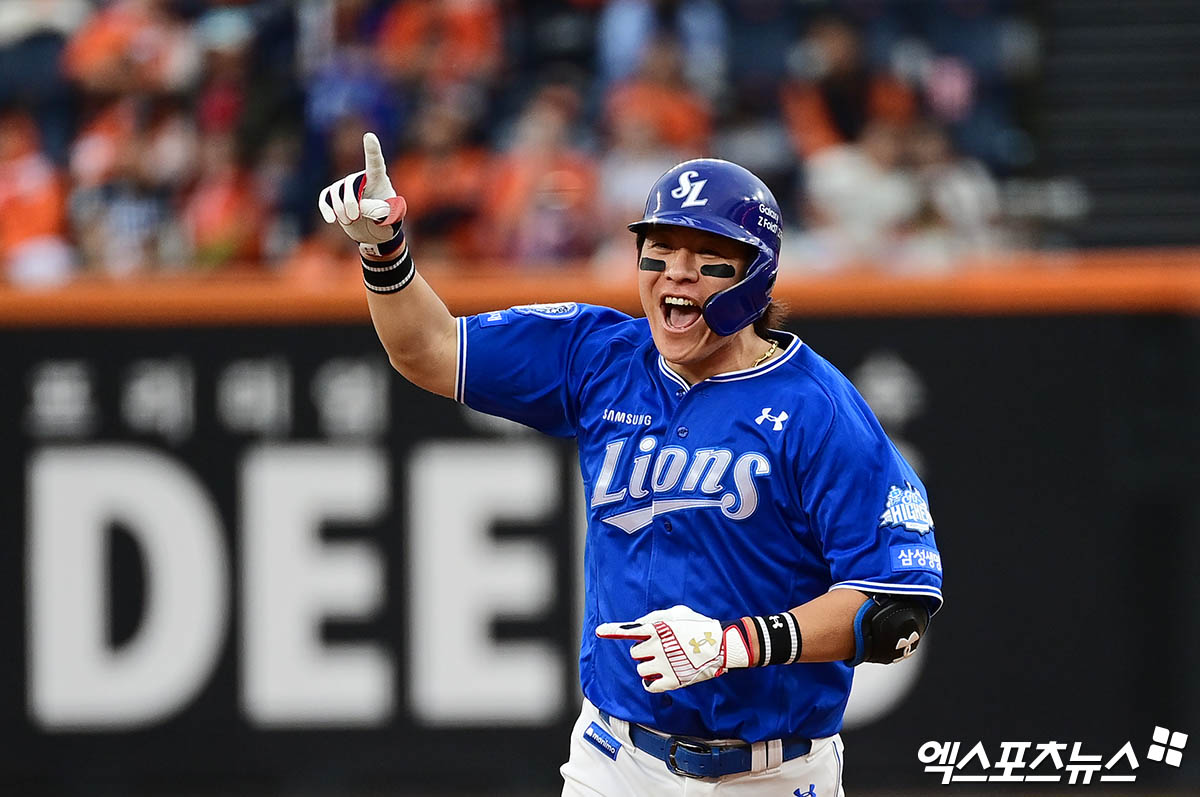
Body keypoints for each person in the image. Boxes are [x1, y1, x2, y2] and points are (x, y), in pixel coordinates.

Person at [318, 133, 945, 795]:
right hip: (615, 760)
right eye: (661, 249)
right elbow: (430, 350)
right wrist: (383, 249)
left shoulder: (818, 409)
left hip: (775, 770)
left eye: (707, 257)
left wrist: (738, 642)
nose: (675, 270)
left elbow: (894, 608)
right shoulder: (599, 355)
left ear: (756, 274)